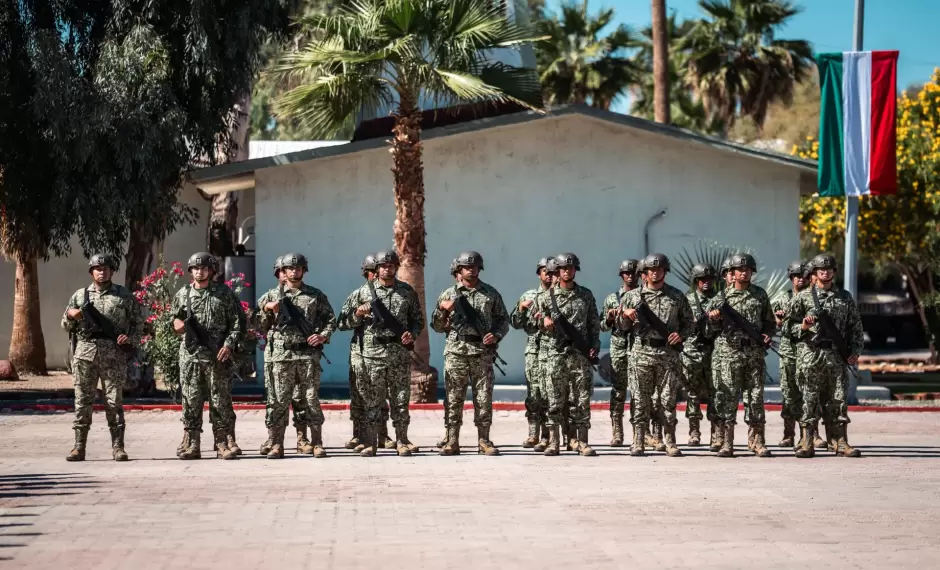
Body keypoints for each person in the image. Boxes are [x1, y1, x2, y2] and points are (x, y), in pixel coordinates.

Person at [336, 250, 424, 457]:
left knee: (400, 400)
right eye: (383, 266)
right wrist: (358, 314)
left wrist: (411, 334)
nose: (387, 269)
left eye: (391, 265)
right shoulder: (362, 293)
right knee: (372, 401)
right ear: (376, 269)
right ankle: (372, 441)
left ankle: (402, 439)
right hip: (371, 355)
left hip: (398, 354)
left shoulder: (407, 292)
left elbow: (417, 320)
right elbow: (341, 322)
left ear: (396, 267)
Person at [61, 254, 140, 462]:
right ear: (91, 272)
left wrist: (130, 338)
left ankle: (118, 447)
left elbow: (138, 322)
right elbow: (65, 324)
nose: (101, 272)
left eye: (106, 268)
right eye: (97, 268)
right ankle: (79, 447)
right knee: (82, 402)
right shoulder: (80, 295)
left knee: (114, 402)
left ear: (112, 271)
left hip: (113, 354)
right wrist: (72, 315)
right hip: (85, 354)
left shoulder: (123, 295)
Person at [257, 253, 335, 459]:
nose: (294, 271)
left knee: (310, 399)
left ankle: (316, 442)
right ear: (282, 272)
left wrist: (322, 336)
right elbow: (258, 326)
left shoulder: (315, 295)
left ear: (304, 270)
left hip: (307, 356)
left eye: (298, 268)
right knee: (279, 401)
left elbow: (330, 320)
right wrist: (267, 310)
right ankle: (276, 444)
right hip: (282, 357)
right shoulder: (270, 296)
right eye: (289, 268)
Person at [431, 251, 510, 456]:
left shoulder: (490, 293)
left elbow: (503, 320)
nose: (471, 269)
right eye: (467, 267)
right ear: (459, 270)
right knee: (453, 398)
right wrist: (443, 310)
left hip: (482, 353)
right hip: (456, 352)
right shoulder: (449, 294)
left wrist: (496, 335)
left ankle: (484, 440)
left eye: (474, 266)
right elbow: (437, 326)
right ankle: (452, 440)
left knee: (483, 399)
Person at [786, 254, 864, 458]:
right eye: (821, 269)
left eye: (829, 269)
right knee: (808, 400)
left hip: (837, 356)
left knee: (838, 399)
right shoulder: (802, 297)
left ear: (834, 272)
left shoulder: (844, 297)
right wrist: (803, 326)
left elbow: (855, 326)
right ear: (814, 273)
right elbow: (787, 327)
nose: (826, 271)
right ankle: (807, 442)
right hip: (810, 355)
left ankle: (839, 441)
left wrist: (855, 350)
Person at [173, 252, 245, 460]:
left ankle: (222, 443)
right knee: (191, 400)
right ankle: (192, 443)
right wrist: (177, 325)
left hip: (217, 356)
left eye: (204, 268)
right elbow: (175, 319)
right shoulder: (183, 294)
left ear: (211, 271)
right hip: (191, 356)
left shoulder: (224, 293)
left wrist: (229, 344)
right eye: (196, 268)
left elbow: (237, 323)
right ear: (190, 271)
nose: (199, 271)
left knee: (220, 400)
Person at [619, 253, 693, 457]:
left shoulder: (677, 296)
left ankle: (670, 441)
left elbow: (689, 322)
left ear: (665, 272)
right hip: (640, 353)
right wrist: (625, 316)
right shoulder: (632, 297)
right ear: (644, 273)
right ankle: (639, 441)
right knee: (640, 400)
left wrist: (681, 335)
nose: (655, 272)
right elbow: (621, 328)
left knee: (668, 401)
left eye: (659, 269)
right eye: (651, 270)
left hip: (668, 355)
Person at [706, 253, 775, 458]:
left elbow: (769, 323)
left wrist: (767, 335)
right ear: (732, 273)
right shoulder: (721, 298)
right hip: (729, 353)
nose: (744, 272)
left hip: (754, 354)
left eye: (747, 269)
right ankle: (727, 442)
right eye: (740, 269)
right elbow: (708, 331)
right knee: (728, 398)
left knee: (755, 397)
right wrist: (714, 319)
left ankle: (757, 441)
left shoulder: (760, 295)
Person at [533, 253, 600, 456]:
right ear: (557, 271)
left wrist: (594, 345)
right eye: (563, 268)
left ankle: (582, 441)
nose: (567, 271)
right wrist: (542, 321)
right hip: (555, 354)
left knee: (581, 400)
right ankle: (553, 442)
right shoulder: (545, 297)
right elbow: (532, 321)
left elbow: (593, 324)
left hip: (579, 356)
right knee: (554, 399)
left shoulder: (585, 295)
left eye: (570, 268)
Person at [510, 257, 553, 450]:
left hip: (555, 350)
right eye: (546, 271)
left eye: (553, 271)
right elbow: (515, 322)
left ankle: (548, 435)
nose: (549, 275)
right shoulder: (529, 295)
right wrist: (521, 309)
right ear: (539, 274)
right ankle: (533, 433)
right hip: (534, 351)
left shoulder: (560, 295)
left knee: (551, 394)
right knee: (534, 393)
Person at [599, 259, 639, 447]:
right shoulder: (611, 299)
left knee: (640, 393)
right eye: (626, 273)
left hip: (639, 347)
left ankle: (642, 433)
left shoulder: (644, 296)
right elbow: (601, 326)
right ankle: (617, 432)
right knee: (618, 391)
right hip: (619, 347)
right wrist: (608, 318)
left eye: (633, 273)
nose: (630, 276)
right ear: (621, 275)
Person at [681, 263, 718, 447]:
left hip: (714, 351)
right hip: (692, 352)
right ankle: (694, 431)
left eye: (709, 279)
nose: (706, 282)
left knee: (715, 392)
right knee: (692, 393)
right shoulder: (687, 300)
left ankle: (715, 432)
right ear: (696, 281)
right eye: (702, 279)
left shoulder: (720, 300)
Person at [774, 261, 808, 448]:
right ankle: (789, 433)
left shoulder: (814, 298)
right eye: (797, 276)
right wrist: (778, 320)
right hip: (788, 351)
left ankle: (811, 433)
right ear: (791, 278)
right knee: (788, 392)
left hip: (809, 350)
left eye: (803, 275)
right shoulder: (782, 298)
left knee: (810, 393)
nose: (800, 279)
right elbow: (773, 323)